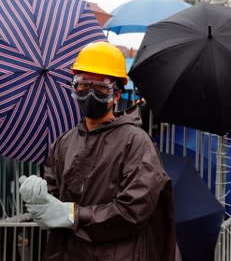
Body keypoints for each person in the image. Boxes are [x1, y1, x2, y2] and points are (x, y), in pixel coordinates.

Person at [19, 41, 176, 261]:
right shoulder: (64, 143)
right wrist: (39, 199)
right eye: (83, 84)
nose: (89, 93)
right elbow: (54, 198)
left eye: (101, 87)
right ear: (74, 88)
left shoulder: (136, 143)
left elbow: (133, 211)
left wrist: (73, 215)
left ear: (117, 95)